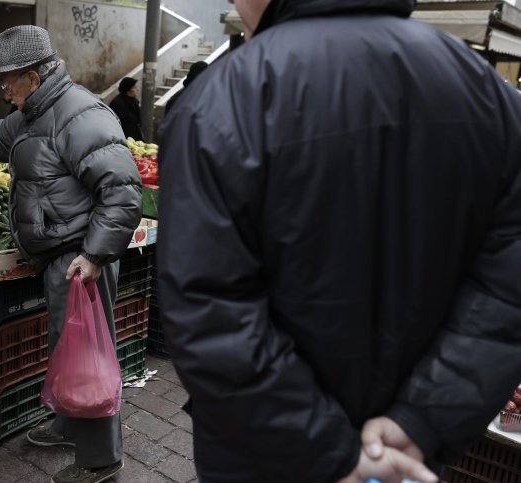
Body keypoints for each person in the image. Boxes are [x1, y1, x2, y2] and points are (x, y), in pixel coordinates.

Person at [157, 0, 521, 482]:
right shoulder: (486, 90)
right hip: (405, 454)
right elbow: (507, 286)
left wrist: (330, 452)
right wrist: (421, 419)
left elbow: (209, 311)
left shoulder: (222, 100)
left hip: (265, 459)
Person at [0, 25, 142, 483]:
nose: (3, 88)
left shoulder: (81, 115)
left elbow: (123, 193)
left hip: (80, 258)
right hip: (58, 256)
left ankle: (101, 460)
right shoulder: (30, 115)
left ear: (33, 75)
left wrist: (95, 254)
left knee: (85, 354)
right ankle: (70, 424)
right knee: (66, 347)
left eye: (8, 79)